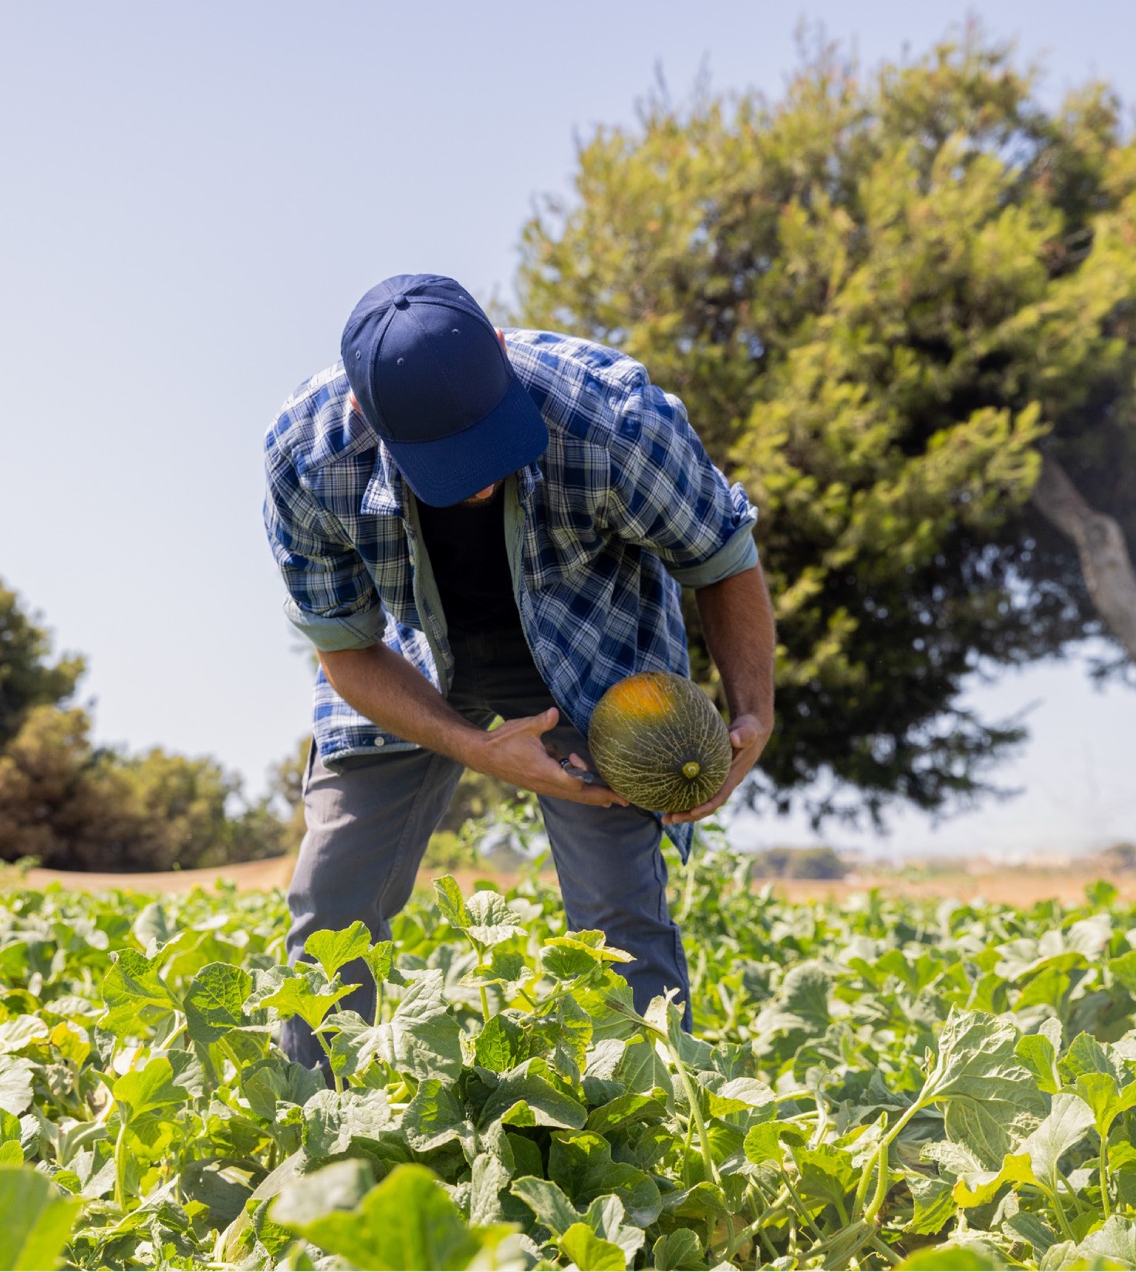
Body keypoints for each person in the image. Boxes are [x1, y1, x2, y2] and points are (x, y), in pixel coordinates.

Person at [261, 273, 775, 1073]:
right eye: (449, 463)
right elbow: (349, 651)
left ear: (501, 351)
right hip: (410, 663)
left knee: (617, 912)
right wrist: (476, 747)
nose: (479, 479)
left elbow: (722, 558)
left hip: (597, 660)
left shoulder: (617, 420)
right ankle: (307, 1125)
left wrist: (754, 709)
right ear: (368, 419)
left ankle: (651, 1128)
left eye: (490, 443)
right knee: (333, 899)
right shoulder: (307, 454)